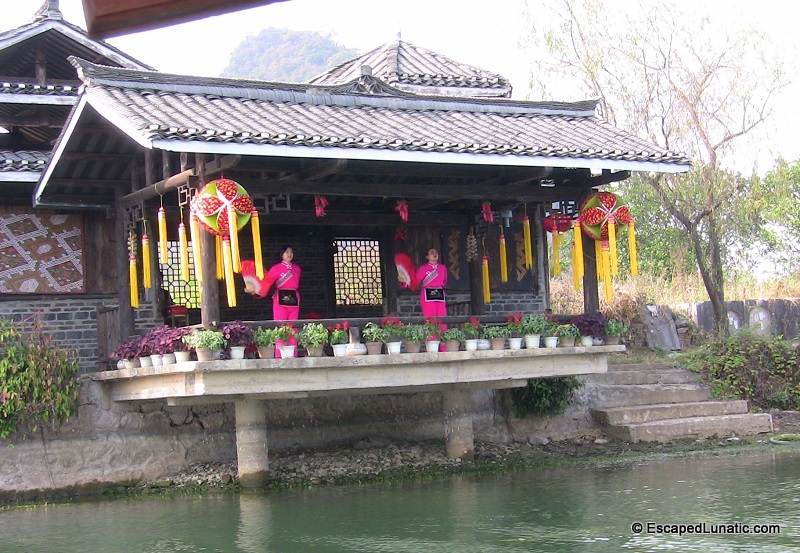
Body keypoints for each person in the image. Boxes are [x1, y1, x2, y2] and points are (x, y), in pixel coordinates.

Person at [415, 248, 448, 319]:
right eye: (431, 252)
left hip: (439, 292)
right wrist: (404, 281)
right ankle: (431, 330)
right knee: (429, 315)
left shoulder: (443, 268)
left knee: (441, 315)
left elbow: (444, 281)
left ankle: (442, 330)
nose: (434, 254)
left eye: (436, 252)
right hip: (427, 293)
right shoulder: (423, 268)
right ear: (427, 257)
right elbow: (415, 281)